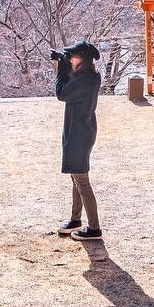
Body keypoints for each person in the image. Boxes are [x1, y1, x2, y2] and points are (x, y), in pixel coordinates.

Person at [53, 40, 102, 241]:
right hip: (80, 131)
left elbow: (61, 93)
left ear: (82, 59)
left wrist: (62, 68)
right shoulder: (89, 76)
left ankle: (94, 228)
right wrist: (65, 64)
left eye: (72, 57)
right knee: (76, 178)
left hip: (79, 135)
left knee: (82, 181)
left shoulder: (86, 80)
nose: (69, 59)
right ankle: (76, 220)